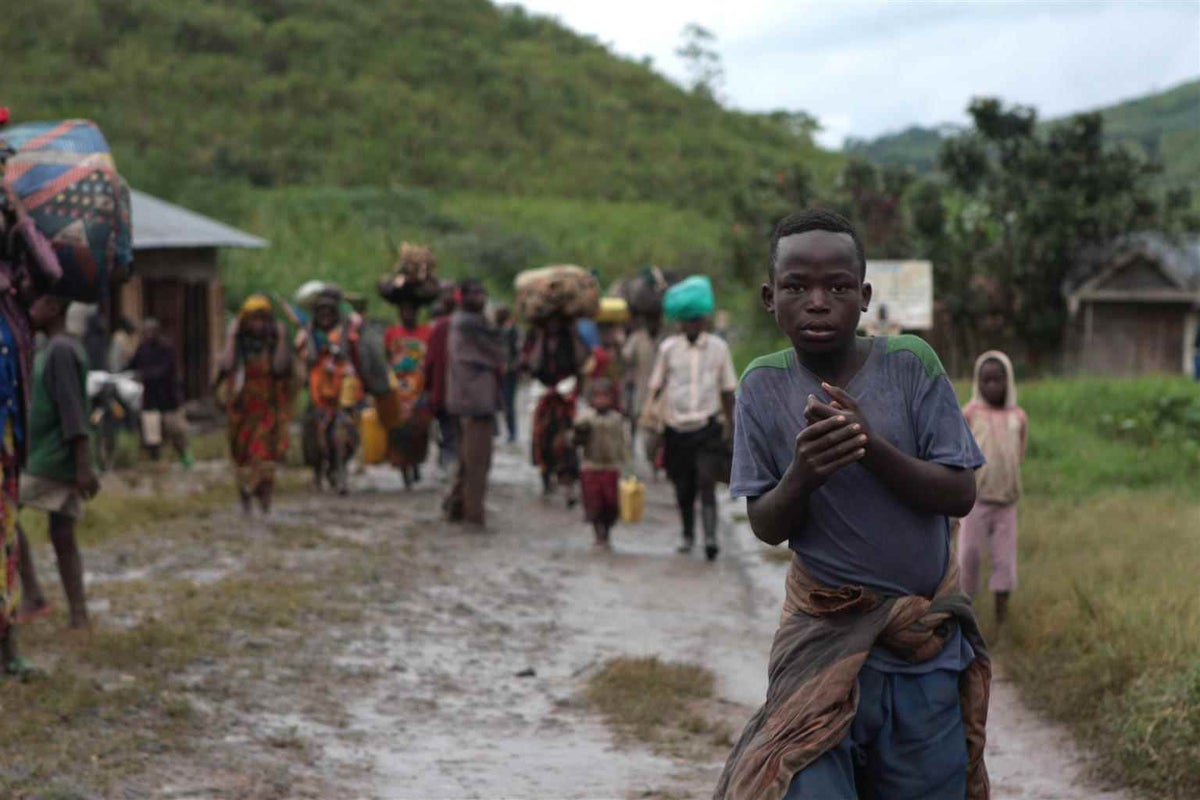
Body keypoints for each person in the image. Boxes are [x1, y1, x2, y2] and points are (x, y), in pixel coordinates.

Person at [717, 210, 990, 800]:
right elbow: (766, 524)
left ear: (864, 297)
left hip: (920, 646)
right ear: (770, 298)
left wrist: (871, 449)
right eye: (797, 287)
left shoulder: (911, 364)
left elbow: (960, 493)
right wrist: (803, 474)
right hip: (822, 641)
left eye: (838, 287)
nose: (818, 303)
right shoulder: (763, 386)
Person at [0, 180, 63, 676]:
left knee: (5, 537)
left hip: (6, 430)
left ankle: (7, 650)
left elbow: (52, 271)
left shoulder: (16, 289)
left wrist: (21, 215)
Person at [18, 297, 100, 631]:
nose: (28, 310)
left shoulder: (60, 350)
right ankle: (78, 613)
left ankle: (34, 594)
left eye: (33, 303)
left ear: (53, 308)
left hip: (52, 458)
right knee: (62, 533)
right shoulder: (48, 348)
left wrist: (83, 464)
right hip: (51, 454)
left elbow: (72, 409)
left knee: (5, 514)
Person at [645, 300, 736, 561]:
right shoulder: (668, 349)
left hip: (708, 426)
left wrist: (732, 427)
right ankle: (687, 534)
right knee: (683, 485)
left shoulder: (719, 348)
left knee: (707, 481)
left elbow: (728, 389)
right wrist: (651, 420)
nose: (693, 324)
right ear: (681, 322)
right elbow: (656, 386)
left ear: (704, 321)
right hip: (675, 428)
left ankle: (710, 538)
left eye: (697, 319)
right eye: (689, 320)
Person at [959, 350, 1027, 628]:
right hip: (975, 501)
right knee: (969, 557)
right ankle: (964, 614)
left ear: (1008, 381)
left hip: (1007, 503)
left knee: (1005, 561)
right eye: (985, 380)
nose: (992, 386)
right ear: (978, 382)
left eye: (998, 380)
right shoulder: (970, 414)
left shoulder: (1018, 416)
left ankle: (1002, 619)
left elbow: (1019, 454)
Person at [216, 295, 293, 515]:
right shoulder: (238, 344)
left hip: (267, 407)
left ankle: (265, 502)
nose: (257, 324)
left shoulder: (274, 342)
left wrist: (282, 338)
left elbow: (279, 368)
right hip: (241, 408)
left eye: (262, 319)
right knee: (240, 456)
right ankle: (246, 501)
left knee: (264, 455)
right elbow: (226, 366)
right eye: (253, 319)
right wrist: (231, 336)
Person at [442, 279, 504, 527]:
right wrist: (500, 324)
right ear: (463, 297)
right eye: (475, 294)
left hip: (464, 399)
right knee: (478, 463)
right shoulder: (471, 323)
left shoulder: (460, 321)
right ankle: (474, 515)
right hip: (475, 401)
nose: (480, 298)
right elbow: (499, 351)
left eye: (482, 293)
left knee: (467, 460)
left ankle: (456, 506)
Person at [296, 287, 362, 493]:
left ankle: (340, 472)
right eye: (321, 310)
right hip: (318, 394)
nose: (325, 315)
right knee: (313, 433)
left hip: (342, 392)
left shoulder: (347, 333)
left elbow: (354, 358)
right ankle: (318, 473)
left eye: (329, 310)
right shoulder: (307, 335)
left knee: (343, 432)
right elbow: (304, 363)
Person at [522, 313, 589, 505]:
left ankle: (568, 481)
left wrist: (574, 334)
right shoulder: (537, 338)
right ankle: (546, 477)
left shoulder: (571, 339)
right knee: (542, 437)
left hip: (565, 398)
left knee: (567, 440)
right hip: (543, 395)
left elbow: (582, 361)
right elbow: (530, 364)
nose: (553, 324)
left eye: (556, 321)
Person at [573, 378, 630, 549]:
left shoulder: (617, 420)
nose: (601, 400)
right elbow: (575, 440)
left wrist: (625, 465)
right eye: (597, 397)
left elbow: (623, 443)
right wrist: (579, 433)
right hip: (591, 467)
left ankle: (607, 531)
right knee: (594, 502)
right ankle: (599, 535)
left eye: (605, 396)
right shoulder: (586, 418)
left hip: (611, 467)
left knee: (611, 503)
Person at [129, 318, 192, 467]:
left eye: (150, 331)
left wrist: (145, 375)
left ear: (157, 332)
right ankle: (155, 462)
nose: (148, 335)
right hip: (150, 398)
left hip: (169, 396)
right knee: (152, 434)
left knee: (176, 430)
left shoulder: (166, 348)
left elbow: (166, 370)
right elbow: (133, 364)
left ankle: (185, 457)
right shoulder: (142, 348)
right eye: (146, 332)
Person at [382, 300, 432, 487]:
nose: (408, 314)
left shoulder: (426, 332)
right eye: (404, 310)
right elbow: (386, 358)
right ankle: (404, 466)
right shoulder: (391, 333)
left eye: (411, 311)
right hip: (399, 388)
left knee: (420, 428)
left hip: (420, 386)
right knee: (399, 429)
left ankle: (416, 462)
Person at [424, 281, 459, 471]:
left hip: (448, 389)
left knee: (449, 431)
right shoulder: (439, 327)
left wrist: (427, 385)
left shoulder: (440, 327)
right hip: (454, 390)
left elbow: (429, 361)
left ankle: (451, 464)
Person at [622, 313, 664, 467]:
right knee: (635, 418)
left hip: (660, 391)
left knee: (656, 427)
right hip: (640, 386)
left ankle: (653, 460)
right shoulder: (637, 338)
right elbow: (626, 356)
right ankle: (631, 450)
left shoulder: (664, 339)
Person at [495, 306, 520, 444]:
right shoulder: (503, 330)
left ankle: (511, 432)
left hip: (508, 371)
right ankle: (509, 432)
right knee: (506, 402)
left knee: (508, 403)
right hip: (504, 371)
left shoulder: (510, 331)